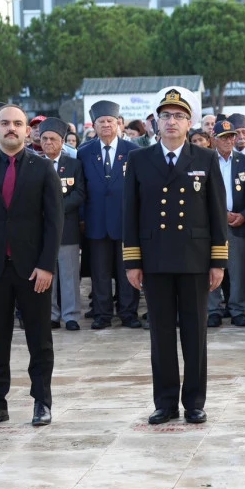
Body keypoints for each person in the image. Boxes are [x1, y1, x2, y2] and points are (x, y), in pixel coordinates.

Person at [122, 88, 228, 425]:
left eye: (179, 116)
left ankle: (194, 401)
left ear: (190, 123)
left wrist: (218, 261)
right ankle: (165, 402)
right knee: (162, 333)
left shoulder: (205, 159)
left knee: (195, 333)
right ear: (156, 122)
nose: (172, 121)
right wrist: (132, 261)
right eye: (166, 116)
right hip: (154, 258)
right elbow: (131, 213)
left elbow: (215, 213)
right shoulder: (139, 160)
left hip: (195, 258)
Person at [0, 104, 63, 427]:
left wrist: (47, 265)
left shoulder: (43, 168)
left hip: (33, 270)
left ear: (27, 131)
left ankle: (42, 403)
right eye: (5, 123)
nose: (11, 128)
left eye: (17, 123)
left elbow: (54, 222)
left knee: (39, 339)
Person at [78, 100, 141, 329]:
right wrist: (82, 219)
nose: (106, 125)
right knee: (100, 272)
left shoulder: (133, 151)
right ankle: (102, 314)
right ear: (94, 125)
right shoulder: (84, 152)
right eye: (101, 121)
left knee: (127, 271)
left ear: (119, 124)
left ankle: (128, 313)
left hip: (125, 222)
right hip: (95, 222)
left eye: (110, 121)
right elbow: (81, 188)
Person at [38, 118, 86, 331]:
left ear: (62, 141)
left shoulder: (74, 164)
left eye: (53, 139)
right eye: (45, 139)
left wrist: (57, 209)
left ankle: (71, 315)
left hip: (67, 227)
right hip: (41, 229)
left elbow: (80, 193)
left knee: (69, 274)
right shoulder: (33, 163)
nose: (48, 142)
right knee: (47, 273)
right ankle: (51, 314)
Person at [207, 119, 245, 328]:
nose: (229, 140)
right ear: (213, 139)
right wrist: (220, 214)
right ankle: (213, 309)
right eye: (224, 137)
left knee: (238, 269)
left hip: (238, 223)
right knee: (212, 266)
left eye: (232, 136)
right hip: (211, 224)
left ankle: (237, 309)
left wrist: (244, 214)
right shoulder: (205, 160)